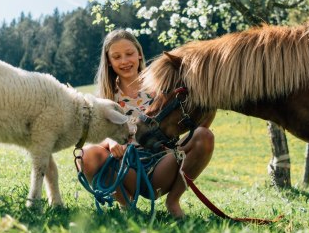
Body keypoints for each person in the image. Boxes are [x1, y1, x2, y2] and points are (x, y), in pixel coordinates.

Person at [80, 29, 215, 218]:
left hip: (163, 164)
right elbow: (97, 135)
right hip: (126, 168)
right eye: (117, 57)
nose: (125, 61)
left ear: (139, 53)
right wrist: (111, 142)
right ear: (109, 62)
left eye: (129, 54)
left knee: (204, 136)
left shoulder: (162, 85)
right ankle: (127, 207)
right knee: (86, 155)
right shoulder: (105, 97)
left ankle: (173, 202)